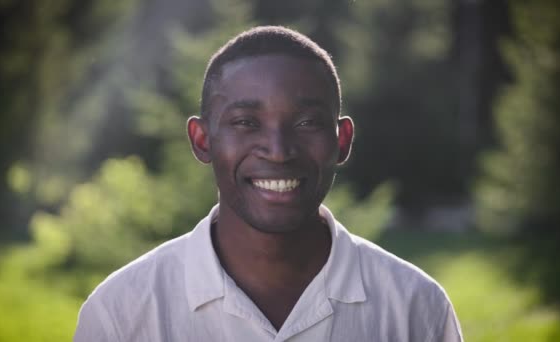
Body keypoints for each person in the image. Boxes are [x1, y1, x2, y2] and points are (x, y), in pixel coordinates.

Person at [74, 26, 463, 342]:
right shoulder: (121, 314)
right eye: (246, 122)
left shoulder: (416, 309)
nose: (278, 152)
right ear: (202, 140)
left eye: (306, 122)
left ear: (342, 141)